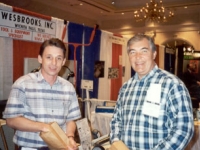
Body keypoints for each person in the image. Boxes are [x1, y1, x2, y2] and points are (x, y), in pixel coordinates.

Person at [110, 34, 194, 150]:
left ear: (154, 54)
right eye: (132, 52)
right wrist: (116, 144)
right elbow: (116, 121)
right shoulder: (125, 88)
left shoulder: (172, 85)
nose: (138, 57)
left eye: (144, 51)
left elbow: (183, 130)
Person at [3, 38, 81, 150]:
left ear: (64, 61)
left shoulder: (68, 88)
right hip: (31, 147)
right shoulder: (22, 84)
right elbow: (11, 120)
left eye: (58, 58)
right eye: (49, 57)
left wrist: (70, 136)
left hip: (61, 147)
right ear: (40, 58)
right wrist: (44, 127)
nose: (54, 63)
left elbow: (71, 119)